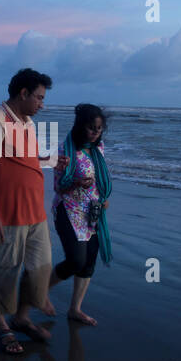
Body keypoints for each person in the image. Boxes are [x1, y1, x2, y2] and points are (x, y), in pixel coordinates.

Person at [0, 68, 56, 354]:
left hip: (35, 211)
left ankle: (21, 317)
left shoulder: (27, 122)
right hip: (7, 212)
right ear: (23, 93)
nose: (41, 104)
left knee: (40, 265)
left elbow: (25, 159)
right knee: (3, 269)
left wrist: (50, 161)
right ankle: (2, 328)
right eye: (39, 97)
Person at [48, 104, 112, 325]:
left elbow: (100, 179)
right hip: (69, 210)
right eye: (91, 128)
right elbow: (58, 187)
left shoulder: (98, 149)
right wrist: (75, 182)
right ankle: (37, 292)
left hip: (92, 212)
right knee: (76, 260)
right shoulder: (65, 152)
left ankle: (75, 309)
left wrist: (103, 199)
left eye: (99, 128)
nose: (95, 133)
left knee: (88, 263)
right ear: (80, 126)